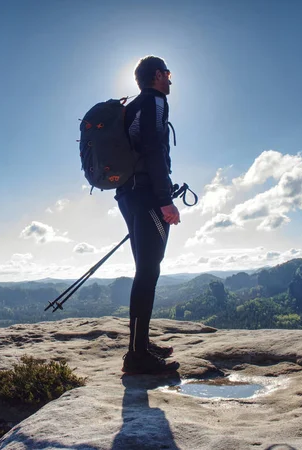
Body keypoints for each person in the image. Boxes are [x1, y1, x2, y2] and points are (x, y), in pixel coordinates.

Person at [116, 56, 181, 374]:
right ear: (157, 75)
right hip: (147, 198)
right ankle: (138, 357)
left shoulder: (130, 108)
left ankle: (139, 345)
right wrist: (165, 200)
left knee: (144, 268)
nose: (170, 80)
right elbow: (155, 151)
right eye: (168, 74)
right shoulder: (155, 102)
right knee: (148, 271)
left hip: (127, 195)